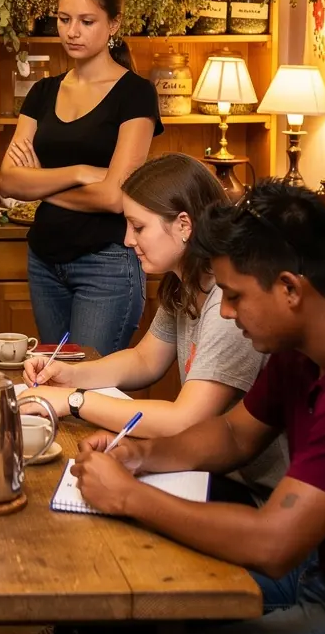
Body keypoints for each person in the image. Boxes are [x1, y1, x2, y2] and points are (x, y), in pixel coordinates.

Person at [71, 181, 325, 634]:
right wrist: (139, 455)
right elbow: (233, 436)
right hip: (320, 563)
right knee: (123, 582)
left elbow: (272, 543)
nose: (227, 312)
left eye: (235, 295)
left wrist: (128, 496)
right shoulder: (301, 348)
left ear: (289, 289)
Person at [21, 153, 287, 501]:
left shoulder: (229, 301)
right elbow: (145, 360)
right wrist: (71, 375)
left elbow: (183, 420)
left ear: (184, 225)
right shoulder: (185, 281)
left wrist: (71, 401)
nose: (128, 240)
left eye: (138, 227)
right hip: (200, 469)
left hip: (247, 492)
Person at [0, 0, 162, 356]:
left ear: (113, 24)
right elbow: (7, 182)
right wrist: (77, 173)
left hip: (106, 262)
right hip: (44, 261)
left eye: (87, 21)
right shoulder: (42, 91)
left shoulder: (135, 95)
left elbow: (114, 198)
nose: (72, 32)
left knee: (89, 387)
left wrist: (41, 185)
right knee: (55, 379)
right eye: (64, 19)